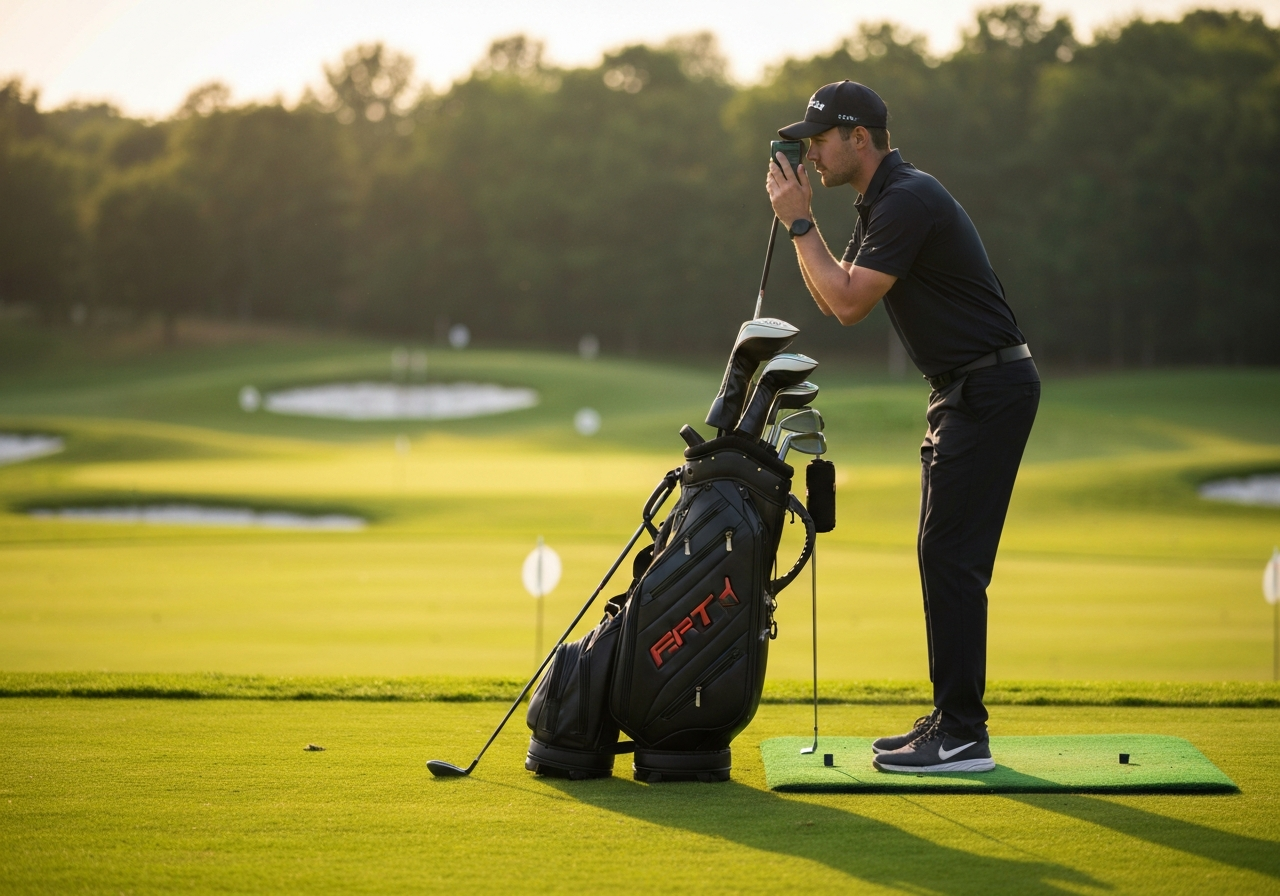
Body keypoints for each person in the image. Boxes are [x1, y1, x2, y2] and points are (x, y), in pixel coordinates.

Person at [766, 80, 1040, 773]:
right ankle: (952, 720)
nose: (811, 154)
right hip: (966, 388)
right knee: (938, 552)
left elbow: (850, 301)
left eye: (820, 140)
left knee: (951, 557)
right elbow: (835, 298)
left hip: (988, 386)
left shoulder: (907, 198)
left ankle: (963, 736)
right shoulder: (882, 200)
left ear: (861, 137)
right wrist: (803, 223)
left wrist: (801, 221)